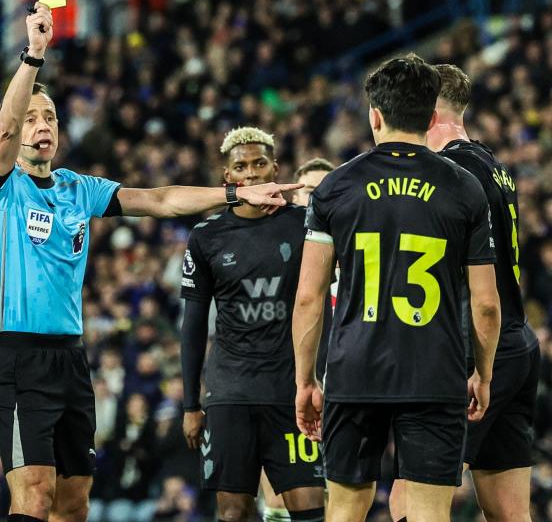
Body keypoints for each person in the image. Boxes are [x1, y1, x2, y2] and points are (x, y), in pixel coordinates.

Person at [0, 2, 302, 522]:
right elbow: (5, 134)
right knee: (33, 494)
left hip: (70, 359)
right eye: (32, 117)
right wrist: (33, 56)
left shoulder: (77, 189)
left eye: (50, 117)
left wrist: (236, 195)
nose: (41, 126)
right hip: (16, 358)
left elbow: (161, 200)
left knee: (73, 501)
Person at [292, 54, 501, 522]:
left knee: (345, 507)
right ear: (431, 118)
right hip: (435, 371)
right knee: (428, 511)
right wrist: (482, 374)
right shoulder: (466, 189)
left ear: (375, 116)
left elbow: (308, 297)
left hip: (354, 370)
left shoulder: (335, 187)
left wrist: (306, 380)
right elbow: (486, 306)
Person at [388, 64, 538, 522]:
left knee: (409, 501)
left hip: (472, 350)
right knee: (509, 511)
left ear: (428, 113)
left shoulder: (449, 174)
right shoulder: (494, 165)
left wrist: (480, 365)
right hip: (518, 344)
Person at [180, 127, 325, 522]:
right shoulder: (206, 236)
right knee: (233, 512)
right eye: (240, 166)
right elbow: (193, 325)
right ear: (227, 177)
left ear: (275, 168)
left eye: (260, 163)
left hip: (290, 391)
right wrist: (191, 404)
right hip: (231, 393)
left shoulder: (306, 225)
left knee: (311, 506)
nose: (252, 173)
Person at [259, 157, 335, 522]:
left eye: (324, 192)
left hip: (342, 394)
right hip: (284, 392)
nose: (316, 201)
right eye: (308, 193)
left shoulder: (357, 263)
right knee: (278, 501)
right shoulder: (276, 259)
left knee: (338, 499)